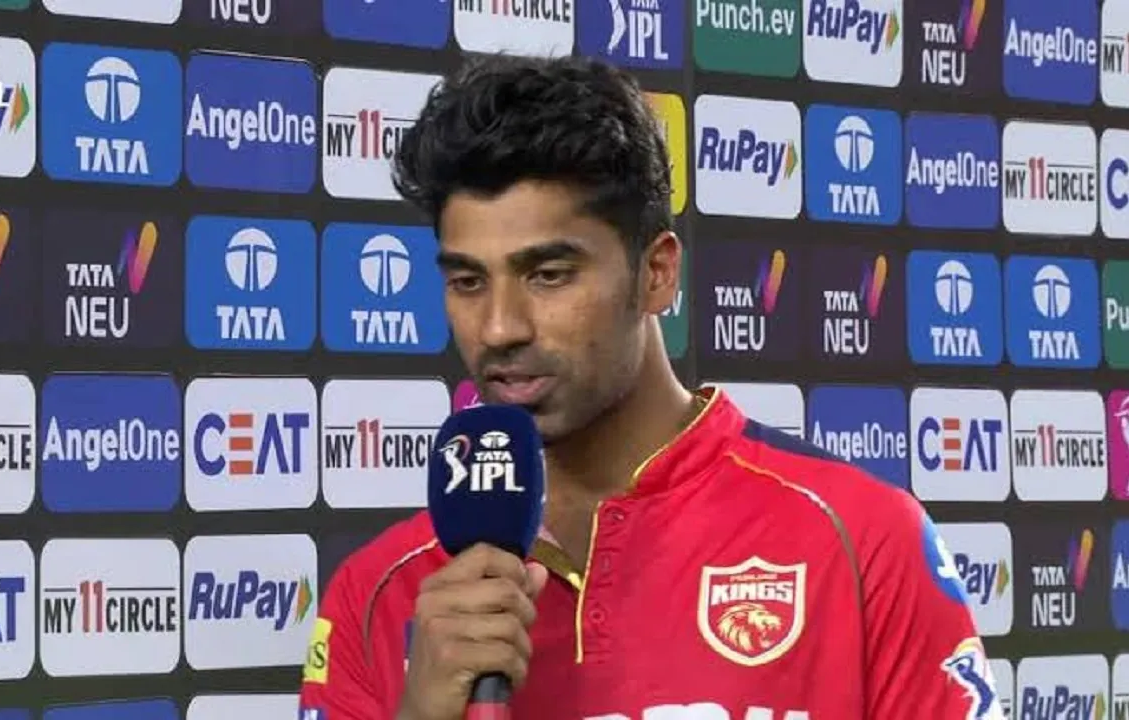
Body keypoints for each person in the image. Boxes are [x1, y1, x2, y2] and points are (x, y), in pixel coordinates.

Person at [299, 54, 1004, 720]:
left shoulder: (860, 539)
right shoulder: (380, 591)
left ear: (658, 274)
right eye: (467, 280)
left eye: (549, 275)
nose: (500, 327)